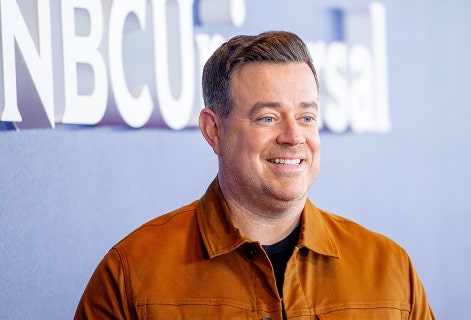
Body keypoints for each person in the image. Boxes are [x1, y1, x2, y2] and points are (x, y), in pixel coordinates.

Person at [74, 30, 436, 320]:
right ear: (214, 130)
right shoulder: (132, 273)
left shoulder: (388, 268)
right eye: (268, 117)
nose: (294, 136)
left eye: (306, 117)